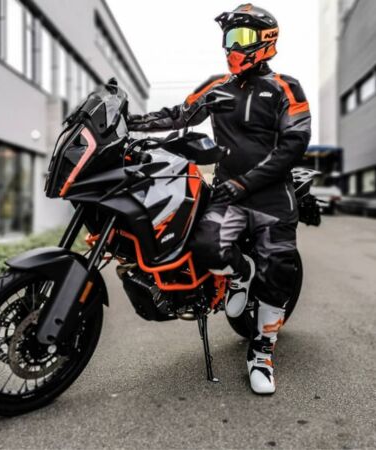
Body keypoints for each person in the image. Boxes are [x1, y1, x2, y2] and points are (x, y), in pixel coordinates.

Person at [127, 3, 311, 394]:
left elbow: (294, 145)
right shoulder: (217, 86)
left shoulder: (287, 87)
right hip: (229, 194)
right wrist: (130, 122)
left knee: (278, 273)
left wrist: (246, 183)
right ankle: (239, 275)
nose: (231, 47)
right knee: (206, 247)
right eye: (228, 38)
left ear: (265, 40)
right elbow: (179, 114)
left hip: (272, 198)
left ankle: (261, 352)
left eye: (240, 37)